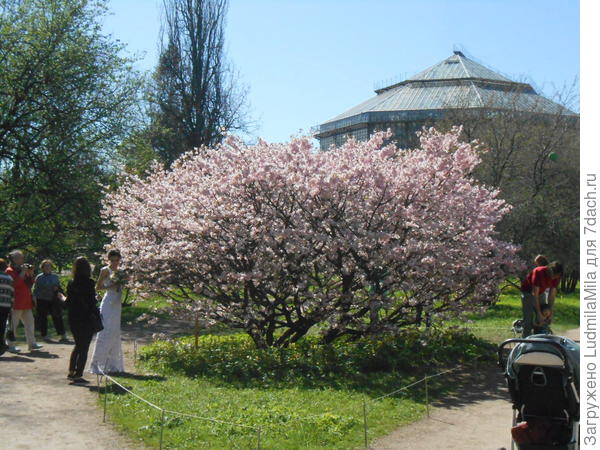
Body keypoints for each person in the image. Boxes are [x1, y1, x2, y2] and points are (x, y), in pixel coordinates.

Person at [89, 249, 125, 374]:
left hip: (117, 303)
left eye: (117, 260)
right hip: (108, 302)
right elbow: (97, 287)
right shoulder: (105, 270)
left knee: (115, 331)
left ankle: (113, 364)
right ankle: (97, 363)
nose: (115, 262)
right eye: (112, 260)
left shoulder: (120, 271)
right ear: (108, 260)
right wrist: (111, 286)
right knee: (105, 331)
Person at [64, 256, 98, 382]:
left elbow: (68, 303)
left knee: (78, 345)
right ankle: (79, 373)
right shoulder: (90, 283)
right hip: (86, 317)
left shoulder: (71, 283)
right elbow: (91, 301)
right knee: (84, 347)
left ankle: (71, 370)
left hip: (74, 317)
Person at [6, 250, 43, 352]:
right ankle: (11, 345)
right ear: (14, 259)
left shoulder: (22, 269)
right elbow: (14, 284)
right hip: (16, 302)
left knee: (30, 323)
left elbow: (30, 284)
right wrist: (22, 272)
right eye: (20, 257)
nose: (22, 259)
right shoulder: (10, 270)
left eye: (22, 257)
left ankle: (32, 344)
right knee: (13, 325)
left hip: (26, 302)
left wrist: (30, 274)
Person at [520, 260, 563, 338]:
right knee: (529, 320)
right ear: (549, 270)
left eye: (556, 276)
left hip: (541, 293)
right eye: (553, 275)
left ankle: (539, 339)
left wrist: (550, 312)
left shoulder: (557, 276)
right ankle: (525, 340)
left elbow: (552, 294)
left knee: (544, 316)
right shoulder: (539, 272)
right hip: (528, 293)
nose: (553, 278)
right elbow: (534, 294)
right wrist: (538, 313)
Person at [33, 259, 67, 343]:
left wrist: (57, 290)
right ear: (42, 268)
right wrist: (34, 300)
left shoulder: (55, 277)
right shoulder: (39, 277)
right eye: (46, 266)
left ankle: (63, 334)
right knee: (43, 318)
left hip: (53, 300)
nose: (48, 268)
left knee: (57, 317)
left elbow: (59, 288)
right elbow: (35, 290)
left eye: (49, 266)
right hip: (42, 299)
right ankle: (44, 335)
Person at [0, 258, 14, 356]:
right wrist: (11, 307)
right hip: (6, 306)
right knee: (2, 326)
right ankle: (1, 345)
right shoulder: (9, 278)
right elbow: (12, 294)